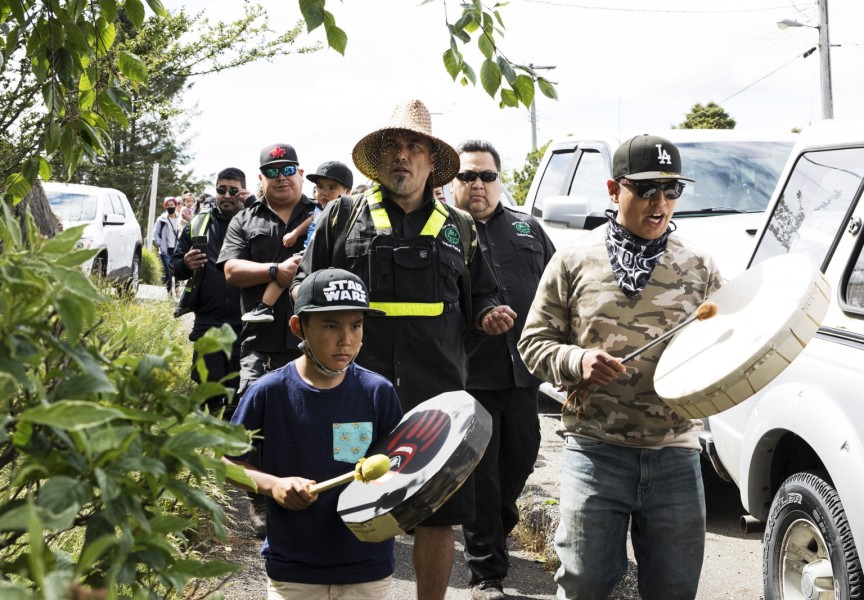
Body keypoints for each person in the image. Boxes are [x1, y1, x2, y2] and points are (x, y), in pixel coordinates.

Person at [292, 99, 517, 600]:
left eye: (413, 145)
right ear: (377, 158)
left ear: (431, 160)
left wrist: (488, 314)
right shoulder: (340, 217)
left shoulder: (460, 225)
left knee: (438, 516)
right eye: (391, 146)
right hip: (351, 395)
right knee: (345, 502)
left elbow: (483, 293)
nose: (402, 155)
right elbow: (306, 288)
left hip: (436, 399)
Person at [517, 134, 723, 600]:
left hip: (674, 452)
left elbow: (725, 345)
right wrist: (577, 360)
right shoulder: (573, 260)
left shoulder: (700, 266)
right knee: (585, 582)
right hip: (595, 450)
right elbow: (532, 344)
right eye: (647, 189)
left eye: (672, 190)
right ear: (614, 190)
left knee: (673, 588)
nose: (660, 202)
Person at [223, 268, 403, 600]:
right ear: (298, 327)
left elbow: (401, 469)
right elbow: (226, 462)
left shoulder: (378, 392)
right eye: (331, 326)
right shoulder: (269, 392)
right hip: (294, 571)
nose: (346, 340)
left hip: (368, 569)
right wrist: (273, 485)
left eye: (356, 326)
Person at [451, 140, 556, 600]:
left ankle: (497, 521)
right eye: (468, 176)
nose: (478, 184)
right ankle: (487, 575)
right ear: (451, 183)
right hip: (469, 374)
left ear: (499, 180)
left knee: (521, 459)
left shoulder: (528, 229)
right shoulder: (442, 231)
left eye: (487, 176)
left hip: (524, 372)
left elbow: (560, 291)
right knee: (483, 474)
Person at [170, 168, 250, 416]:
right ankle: (208, 440)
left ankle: (230, 440)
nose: (226, 195)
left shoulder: (254, 221)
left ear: (242, 192)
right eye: (221, 190)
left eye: (233, 190)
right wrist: (185, 263)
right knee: (210, 385)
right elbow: (175, 267)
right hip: (208, 319)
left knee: (237, 387)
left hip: (243, 320)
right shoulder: (198, 223)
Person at [241, 161, 353, 324]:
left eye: (332, 188)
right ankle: (266, 306)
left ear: (347, 191)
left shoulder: (347, 212)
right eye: (320, 187)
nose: (324, 193)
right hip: (309, 252)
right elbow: (309, 221)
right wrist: (294, 233)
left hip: (330, 256)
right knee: (286, 270)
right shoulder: (318, 209)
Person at [153, 196, 182, 297]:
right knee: (169, 272)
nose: (170, 207)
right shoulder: (161, 219)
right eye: (168, 205)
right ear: (165, 206)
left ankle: (177, 288)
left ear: (175, 205)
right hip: (165, 250)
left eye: (172, 205)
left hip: (177, 249)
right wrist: (160, 243)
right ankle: (169, 293)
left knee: (177, 270)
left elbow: (184, 231)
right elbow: (155, 234)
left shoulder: (180, 218)